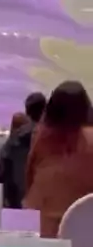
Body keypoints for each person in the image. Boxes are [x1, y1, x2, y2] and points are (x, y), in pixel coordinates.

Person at [24, 81, 93, 237]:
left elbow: (29, 176)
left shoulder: (42, 138)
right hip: (85, 228)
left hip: (45, 226)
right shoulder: (89, 139)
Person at [0, 91, 46, 207]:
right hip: (45, 205)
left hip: (17, 202)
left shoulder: (14, 139)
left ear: (27, 112)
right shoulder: (53, 138)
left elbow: (2, 172)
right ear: (45, 110)